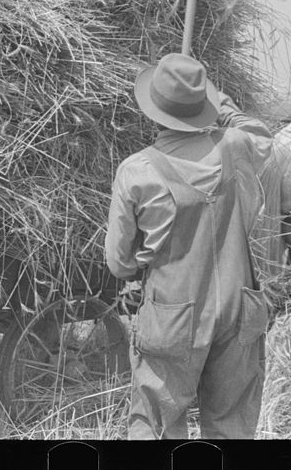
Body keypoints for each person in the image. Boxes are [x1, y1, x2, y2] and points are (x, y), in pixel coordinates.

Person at [105, 52, 274, 439]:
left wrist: (138, 266)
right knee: (232, 424)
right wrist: (222, 106)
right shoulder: (236, 146)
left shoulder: (138, 170)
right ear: (203, 108)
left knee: (156, 425)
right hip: (239, 310)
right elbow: (262, 135)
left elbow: (118, 262)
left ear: (153, 112)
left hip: (172, 315)